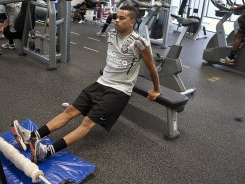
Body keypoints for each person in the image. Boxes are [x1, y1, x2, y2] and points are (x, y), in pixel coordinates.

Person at [11, 5, 161, 163]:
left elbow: (151, 66)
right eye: (117, 17)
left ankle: (46, 152)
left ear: (132, 22)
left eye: (122, 18)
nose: (116, 20)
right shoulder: (111, 33)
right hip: (101, 83)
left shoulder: (139, 42)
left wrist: (156, 89)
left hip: (119, 91)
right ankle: (32, 136)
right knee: (70, 110)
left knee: (87, 122)